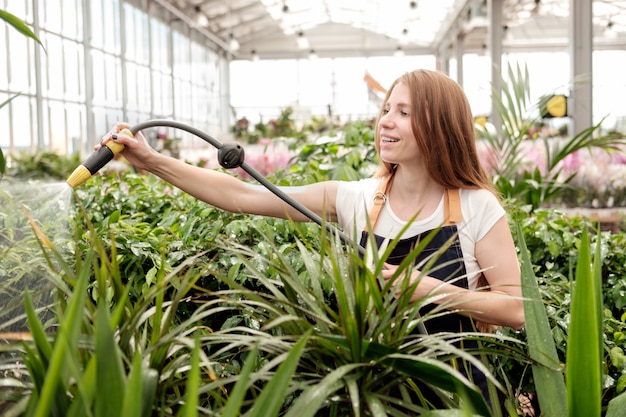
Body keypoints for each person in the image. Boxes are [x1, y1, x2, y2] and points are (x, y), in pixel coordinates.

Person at [101, 68, 524, 405]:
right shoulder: (355, 200)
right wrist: (153, 161)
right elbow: (241, 195)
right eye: (386, 109)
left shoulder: (476, 207)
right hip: (375, 395)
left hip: (459, 397)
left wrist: (429, 290)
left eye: (405, 112)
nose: (386, 122)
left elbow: (517, 308)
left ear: (441, 126)